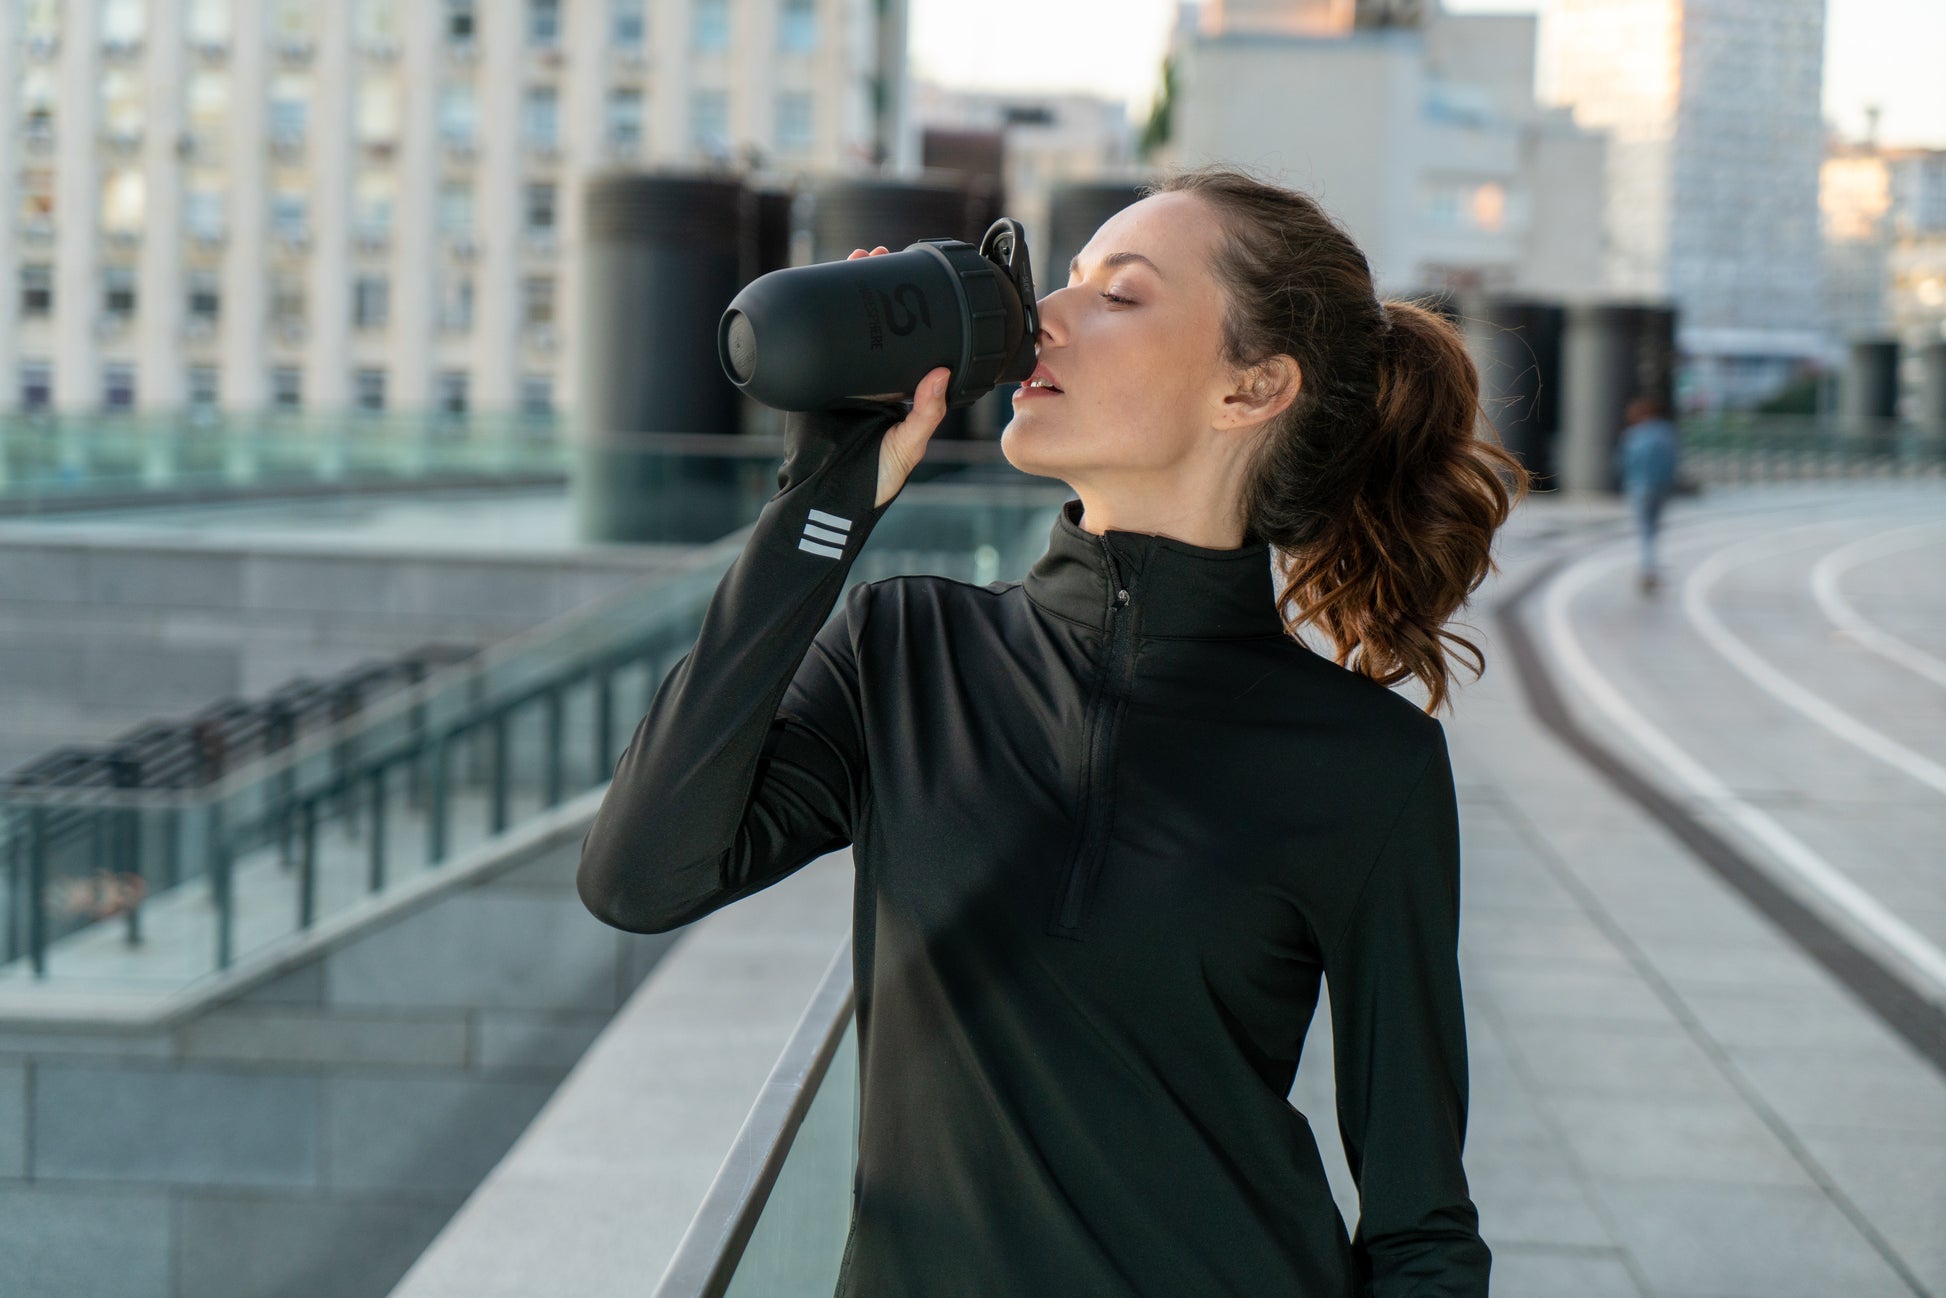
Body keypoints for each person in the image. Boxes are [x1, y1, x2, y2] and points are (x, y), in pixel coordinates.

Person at [577, 164, 1529, 1297]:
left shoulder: (1365, 762)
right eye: (1062, 284)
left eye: (1116, 296)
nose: (1045, 320)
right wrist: (820, 499)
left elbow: (1421, 1220)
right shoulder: (903, 649)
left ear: (1251, 387)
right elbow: (638, 876)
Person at [1614, 394, 1681, 593]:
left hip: (1639, 485)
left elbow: (1623, 461)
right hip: (1661, 487)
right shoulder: (1668, 433)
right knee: (1653, 529)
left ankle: (1647, 569)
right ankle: (1651, 567)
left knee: (1644, 530)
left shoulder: (1634, 435)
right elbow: (1674, 461)